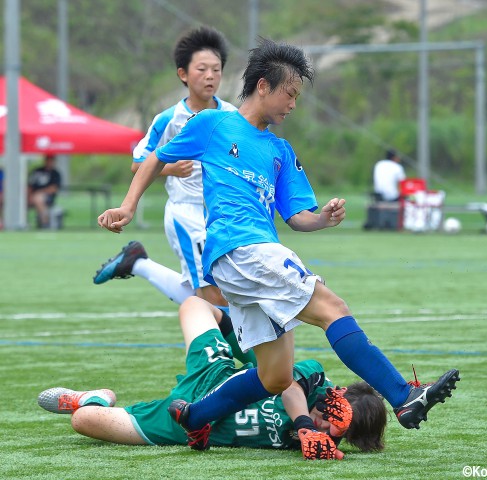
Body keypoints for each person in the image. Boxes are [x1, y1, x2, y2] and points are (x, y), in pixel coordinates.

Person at [97, 37, 459, 449]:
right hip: (242, 248)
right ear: (264, 85)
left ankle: (194, 418)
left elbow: (297, 216)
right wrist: (128, 206)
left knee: (276, 377)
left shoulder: (280, 151)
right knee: (332, 309)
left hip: (244, 261)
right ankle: (402, 396)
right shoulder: (214, 123)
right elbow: (154, 157)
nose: (293, 104)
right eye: (290, 93)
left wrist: (322, 218)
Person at [37, 296, 386, 459]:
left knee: (82, 420)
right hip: (214, 375)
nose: (325, 432)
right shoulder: (312, 379)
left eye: (338, 436)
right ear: (335, 398)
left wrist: (315, 442)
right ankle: (244, 339)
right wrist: (304, 424)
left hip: (181, 426)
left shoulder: (323, 447)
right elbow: (289, 389)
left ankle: (97, 396)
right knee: (193, 305)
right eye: (331, 421)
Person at [93, 26, 236, 307]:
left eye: (217, 69)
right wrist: (170, 168)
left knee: (220, 292)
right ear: (183, 74)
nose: (210, 76)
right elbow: (138, 162)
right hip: (186, 212)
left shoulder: (232, 115)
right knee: (212, 293)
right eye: (202, 69)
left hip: (222, 213)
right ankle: (217, 347)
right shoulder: (169, 119)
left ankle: (138, 264)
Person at [27, 154, 61, 228]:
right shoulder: (37, 171)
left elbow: (54, 188)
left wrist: (39, 192)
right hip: (32, 195)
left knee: (38, 198)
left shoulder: (55, 173)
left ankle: (45, 222)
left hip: (47, 197)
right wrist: (29, 195)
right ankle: (23, 222)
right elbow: (30, 185)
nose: (49, 162)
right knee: (21, 200)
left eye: (51, 161)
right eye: (48, 160)